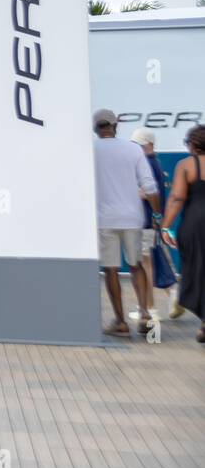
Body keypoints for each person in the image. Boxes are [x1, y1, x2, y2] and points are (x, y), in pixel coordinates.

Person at [93, 109, 159, 338]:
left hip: (104, 219)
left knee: (111, 269)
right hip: (133, 217)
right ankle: (144, 314)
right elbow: (150, 186)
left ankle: (120, 322)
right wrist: (158, 215)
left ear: (95, 128)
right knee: (136, 265)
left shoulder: (90, 150)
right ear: (115, 126)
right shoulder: (133, 149)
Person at [160, 124, 205, 343]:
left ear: (193, 144)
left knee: (195, 269)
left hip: (195, 223)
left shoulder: (186, 165)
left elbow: (177, 197)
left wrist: (165, 226)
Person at [130, 128, 171, 320]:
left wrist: (132, 192)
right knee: (147, 262)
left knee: (144, 263)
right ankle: (147, 307)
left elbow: (149, 192)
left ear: (148, 144)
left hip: (145, 219)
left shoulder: (147, 163)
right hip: (149, 219)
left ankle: (149, 308)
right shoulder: (154, 162)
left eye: (138, 144)